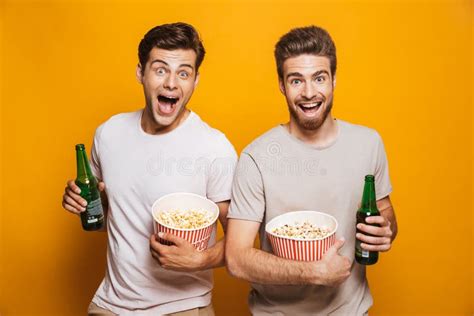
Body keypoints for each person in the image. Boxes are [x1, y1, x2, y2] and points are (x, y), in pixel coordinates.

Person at [62, 22, 237, 315]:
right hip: (111, 304)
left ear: (195, 81)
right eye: (160, 70)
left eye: (183, 72)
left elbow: (240, 240)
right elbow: (103, 206)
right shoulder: (108, 133)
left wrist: (199, 260)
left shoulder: (214, 148)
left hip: (182, 306)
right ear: (140, 73)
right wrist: (80, 200)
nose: (171, 83)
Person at [225, 25, 398, 315]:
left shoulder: (368, 143)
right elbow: (236, 258)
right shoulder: (256, 157)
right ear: (281, 84)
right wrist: (313, 271)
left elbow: (384, 210)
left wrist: (387, 230)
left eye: (319, 78)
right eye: (296, 80)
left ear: (334, 80)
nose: (308, 93)